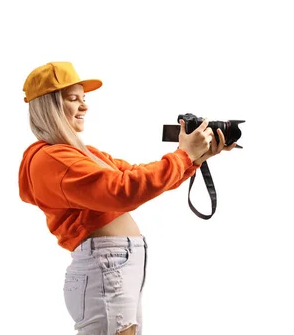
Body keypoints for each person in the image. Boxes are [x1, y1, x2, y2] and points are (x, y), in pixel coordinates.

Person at [18, 61, 236, 335]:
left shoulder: (82, 153)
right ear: (48, 106)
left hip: (113, 267)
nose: (84, 106)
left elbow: (137, 176)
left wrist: (194, 158)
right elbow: (122, 191)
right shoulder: (52, 159)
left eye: (84, 99)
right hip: (105, 267)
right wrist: (184, 156)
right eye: (73, 99)